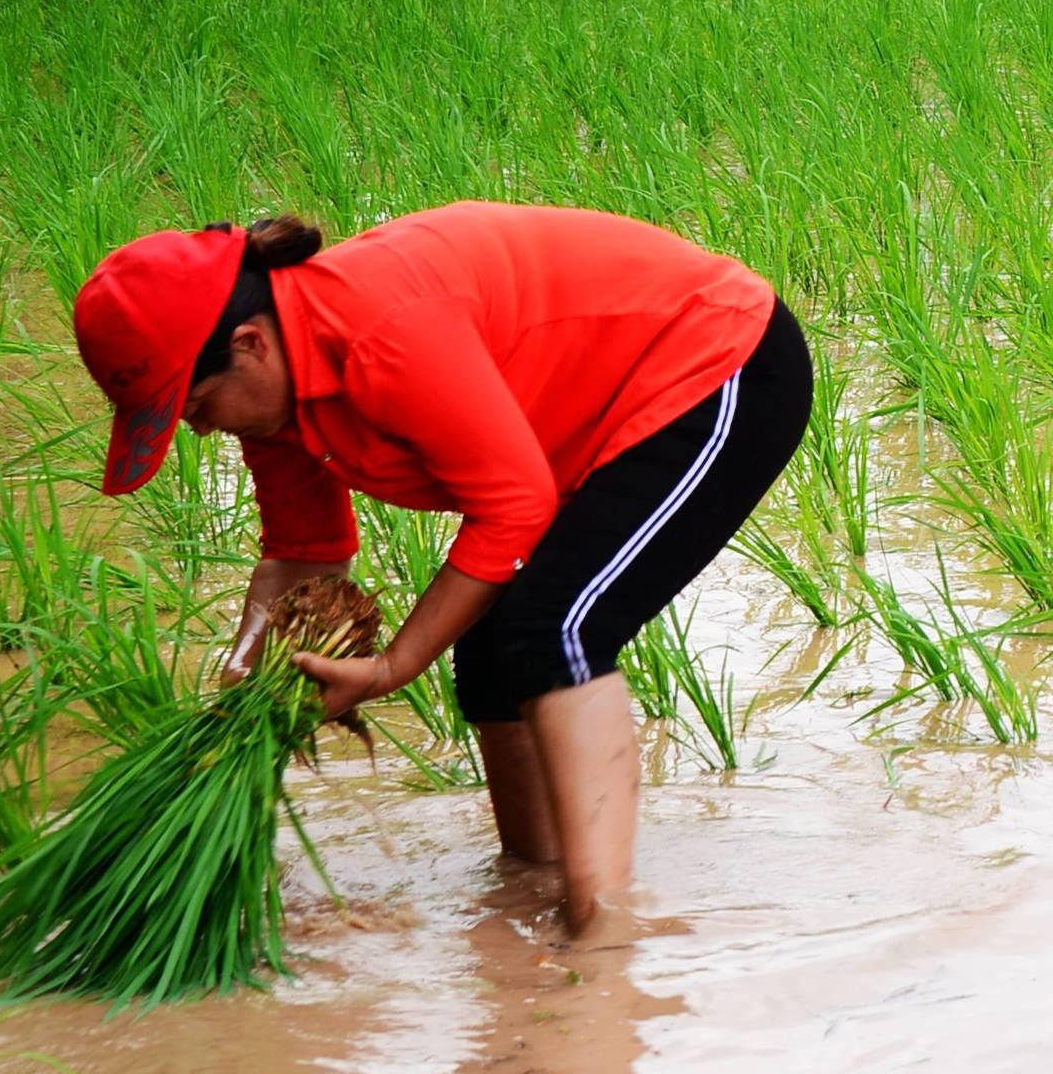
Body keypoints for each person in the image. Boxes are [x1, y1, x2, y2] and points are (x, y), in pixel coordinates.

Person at [74, 203, 811, 940]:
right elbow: (305, 553)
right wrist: (245, 682)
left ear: (250, 343)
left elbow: (513, 509)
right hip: (585, 413)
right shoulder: (275, 408)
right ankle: (534, 878)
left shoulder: (381, 331)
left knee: (558, 627)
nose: (201, 429)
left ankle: (603, 930)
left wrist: (396, 663)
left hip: (717, 364)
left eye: (197, 406)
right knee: (490, 655)